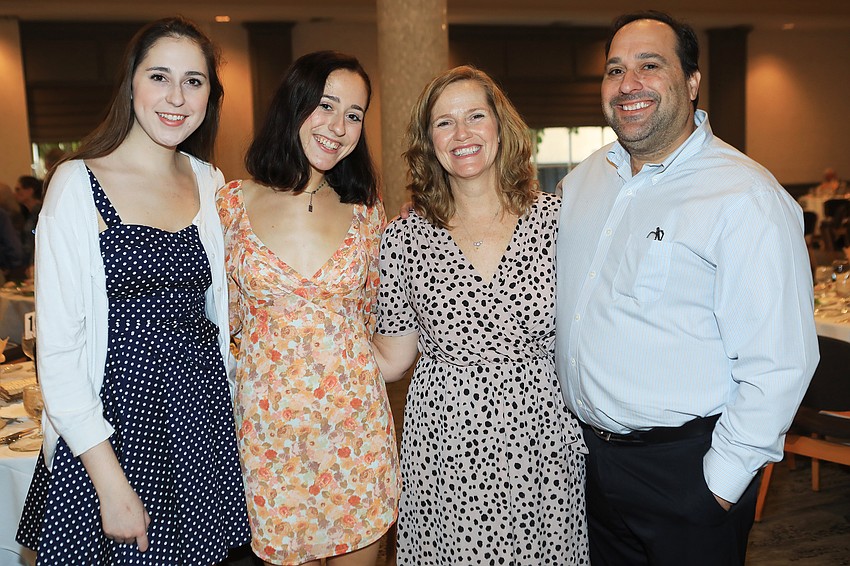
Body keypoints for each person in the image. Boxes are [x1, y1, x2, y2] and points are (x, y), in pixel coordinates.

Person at [554, 10, 818, 565]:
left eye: (650, 65)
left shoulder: (743, 196)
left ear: (692, 81)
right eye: (615, 70)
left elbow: (781, 363)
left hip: (687, 471)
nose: (628, 84)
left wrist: (719, 485)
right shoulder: (583, 181)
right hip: (589, 463)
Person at [15, 16, 251, 565]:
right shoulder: (77, 183)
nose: (176, 97)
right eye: (159, 76)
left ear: (210, 95)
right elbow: (59, 352)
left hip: (201, 424)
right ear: (131, 82)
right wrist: (110, 483)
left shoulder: (211, 181)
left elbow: (225, 310)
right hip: (113, 432)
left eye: (194, 81)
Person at [372, 65, 589, 565]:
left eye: (475, 116)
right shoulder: (404, 238)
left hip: (542, 439)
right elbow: (394, 358)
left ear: (500, 126)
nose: (462, 133)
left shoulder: (558, 221)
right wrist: (312, 328)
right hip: (447, 445)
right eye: (444, 122)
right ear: (429, 141)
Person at [217, 50, 400, 566]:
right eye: (326, 105)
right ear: (294, 104)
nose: (338, 127)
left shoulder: (367, 213)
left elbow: (374, 320)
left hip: (355, 435)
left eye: (354, 114)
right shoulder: (230, 204)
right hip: (268, 440)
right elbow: (221, 323)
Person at [14, 175, 43, 264]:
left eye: (18, 189)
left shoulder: (40, 212)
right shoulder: (25, 214)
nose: (15, 194)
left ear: (30, 191)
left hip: (36, 260)